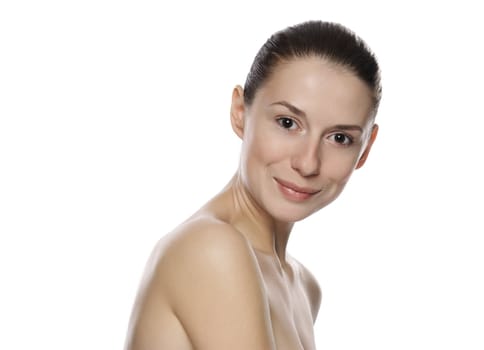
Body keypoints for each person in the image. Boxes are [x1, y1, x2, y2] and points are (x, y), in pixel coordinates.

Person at [124, 20, 382, 350]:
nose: (307, 163)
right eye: (288, 123)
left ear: (366, 149)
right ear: (239, 112)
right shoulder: (210, 249)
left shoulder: (303, 287)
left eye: (339, 138)